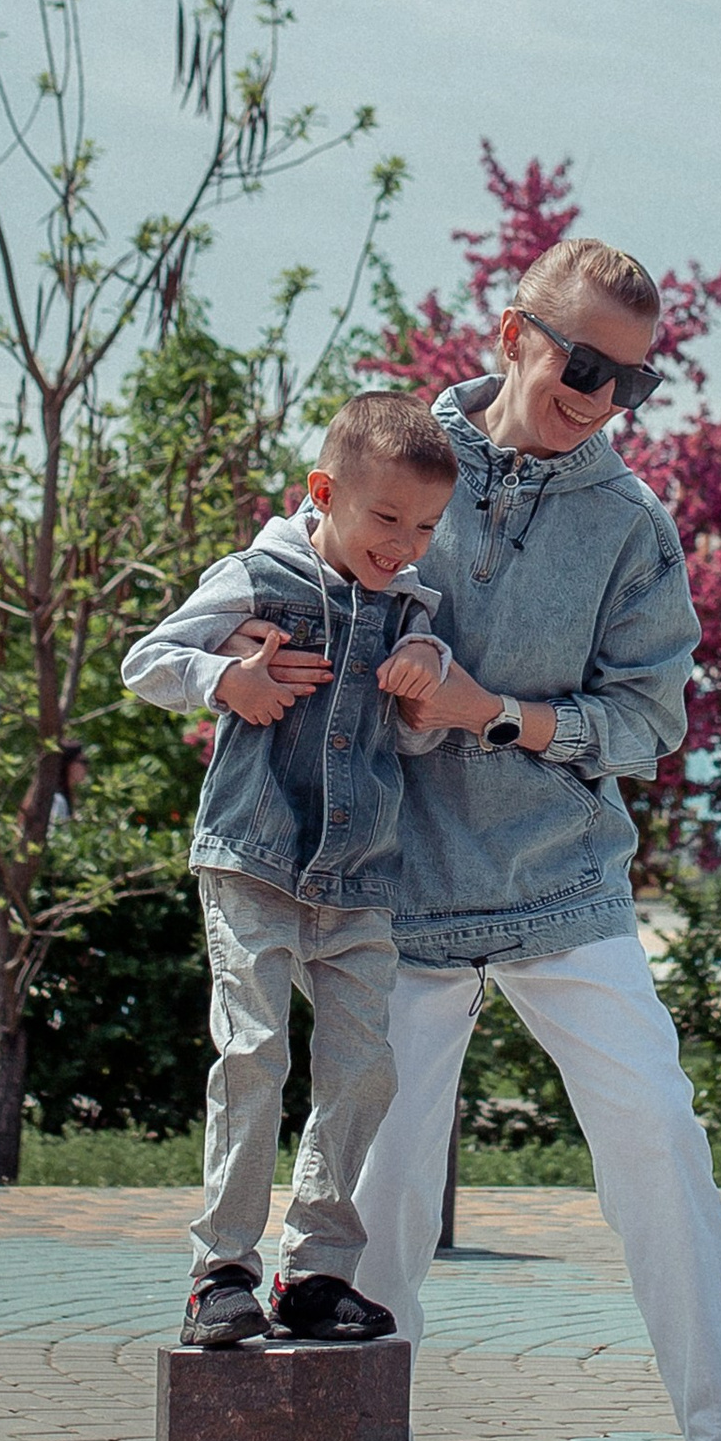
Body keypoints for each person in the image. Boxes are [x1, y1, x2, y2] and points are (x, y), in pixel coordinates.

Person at [290, 235, 721, 1441]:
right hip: (400, 888)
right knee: (386, 1185)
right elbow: (294, 565)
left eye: (631, 380)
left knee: (658, 1130)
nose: (599, 394)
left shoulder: (630, 528)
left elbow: (646, 722)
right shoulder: (399, 457)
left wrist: (500, 716)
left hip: (562, 886)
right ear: (512, 331)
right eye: (583, 360)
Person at [121, 387, 457, 1351]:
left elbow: (415, 744)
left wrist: (424, 675)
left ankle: (315, 1272)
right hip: (255, 857)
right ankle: (221, 1269)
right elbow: (149, 661)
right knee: (255, 1049)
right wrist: (229, 678)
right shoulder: (257, 577)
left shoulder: (412, 612)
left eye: (424, 526)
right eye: (384, 517)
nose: (401, 544)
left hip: (359, 876)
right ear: (325, 491)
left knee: (363, 1071)